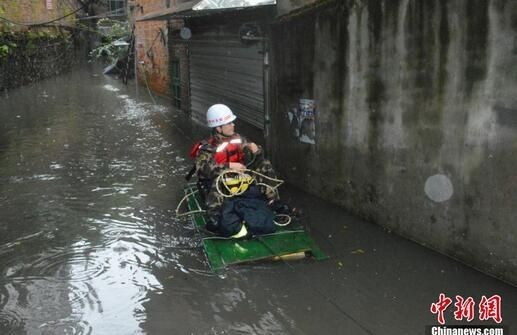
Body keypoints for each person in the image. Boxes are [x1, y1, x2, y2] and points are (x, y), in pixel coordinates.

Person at [189, 104, 285, 238]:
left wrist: (257, 151)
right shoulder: (207, 147)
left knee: (265, 164)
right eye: (229, 123)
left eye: (232, 122)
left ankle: (273, 201)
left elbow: (253, 158)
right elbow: (204, 170)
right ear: (218, 128)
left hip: (238, 179)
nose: (233, 125)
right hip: (217, 184)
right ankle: (215, 219)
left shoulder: (238, 139)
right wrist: (229, 166)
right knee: (220, 178)